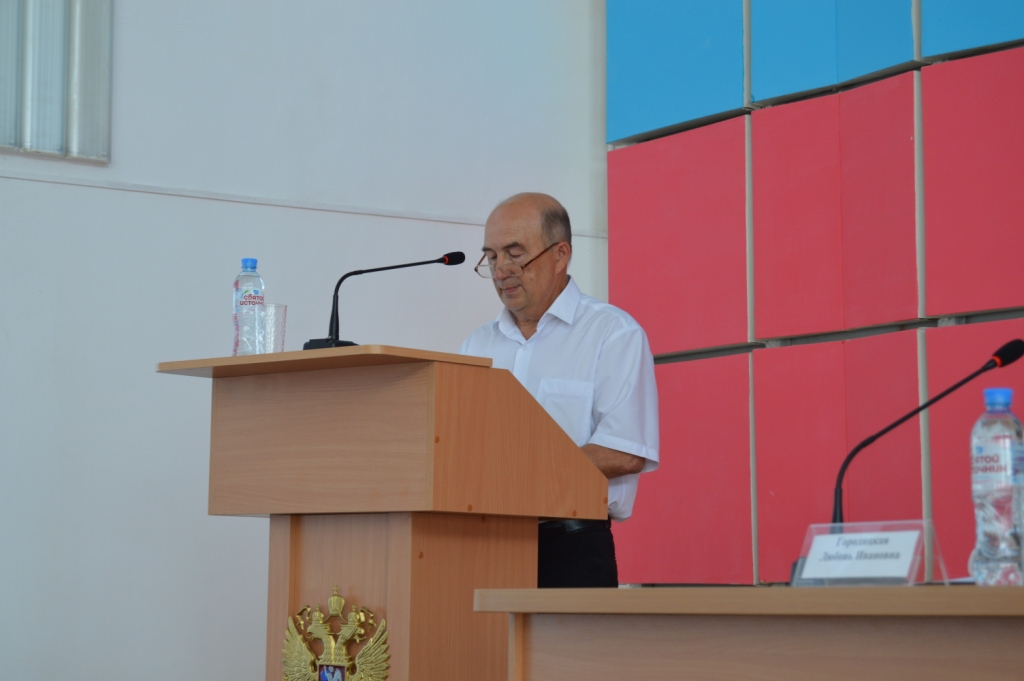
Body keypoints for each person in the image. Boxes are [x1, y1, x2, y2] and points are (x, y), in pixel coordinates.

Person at [460, 192, 659, 588]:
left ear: (560, 254)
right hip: (485, 544)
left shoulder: (612, 333)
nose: (501, 271)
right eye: (492, 257)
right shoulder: (477, 345)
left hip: (570, 545)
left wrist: (520, 476)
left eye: (515, 254)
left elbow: (624, 452)